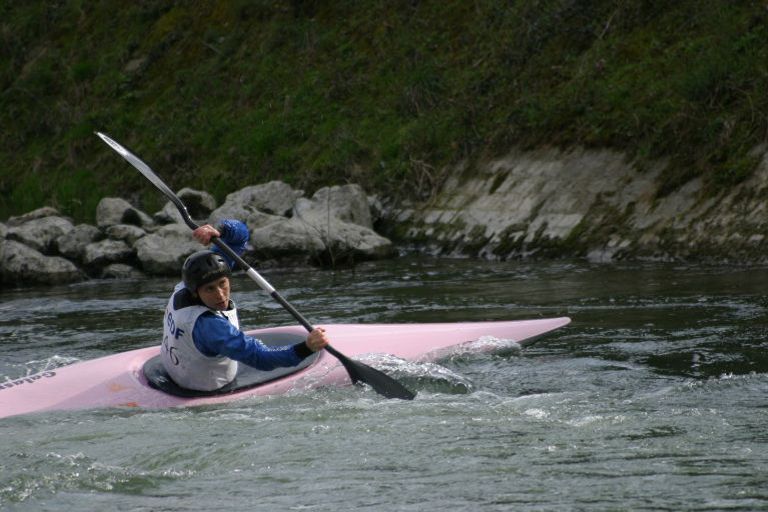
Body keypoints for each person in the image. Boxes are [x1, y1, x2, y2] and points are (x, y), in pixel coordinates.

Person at [161, 219, 329, 391]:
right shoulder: (211, 328)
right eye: (210, 289)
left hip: (177, 371)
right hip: (204, 387)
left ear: (228, 277)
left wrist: (220, 230)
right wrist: (307, 347)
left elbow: (240, 236)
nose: (220, 294)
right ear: (196, 292)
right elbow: (261, 358)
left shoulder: (184, 286)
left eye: (222, 283)